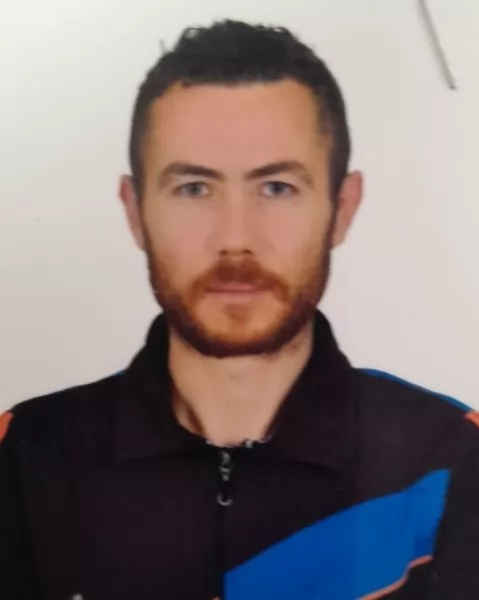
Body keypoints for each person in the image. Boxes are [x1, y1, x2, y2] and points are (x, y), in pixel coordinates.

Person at [1, 19, 478, 600]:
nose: (234, 239)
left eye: (276, 187)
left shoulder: (453, 462)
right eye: (194, 188)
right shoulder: (24, 458)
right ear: (134, 212)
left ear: (343, 208)